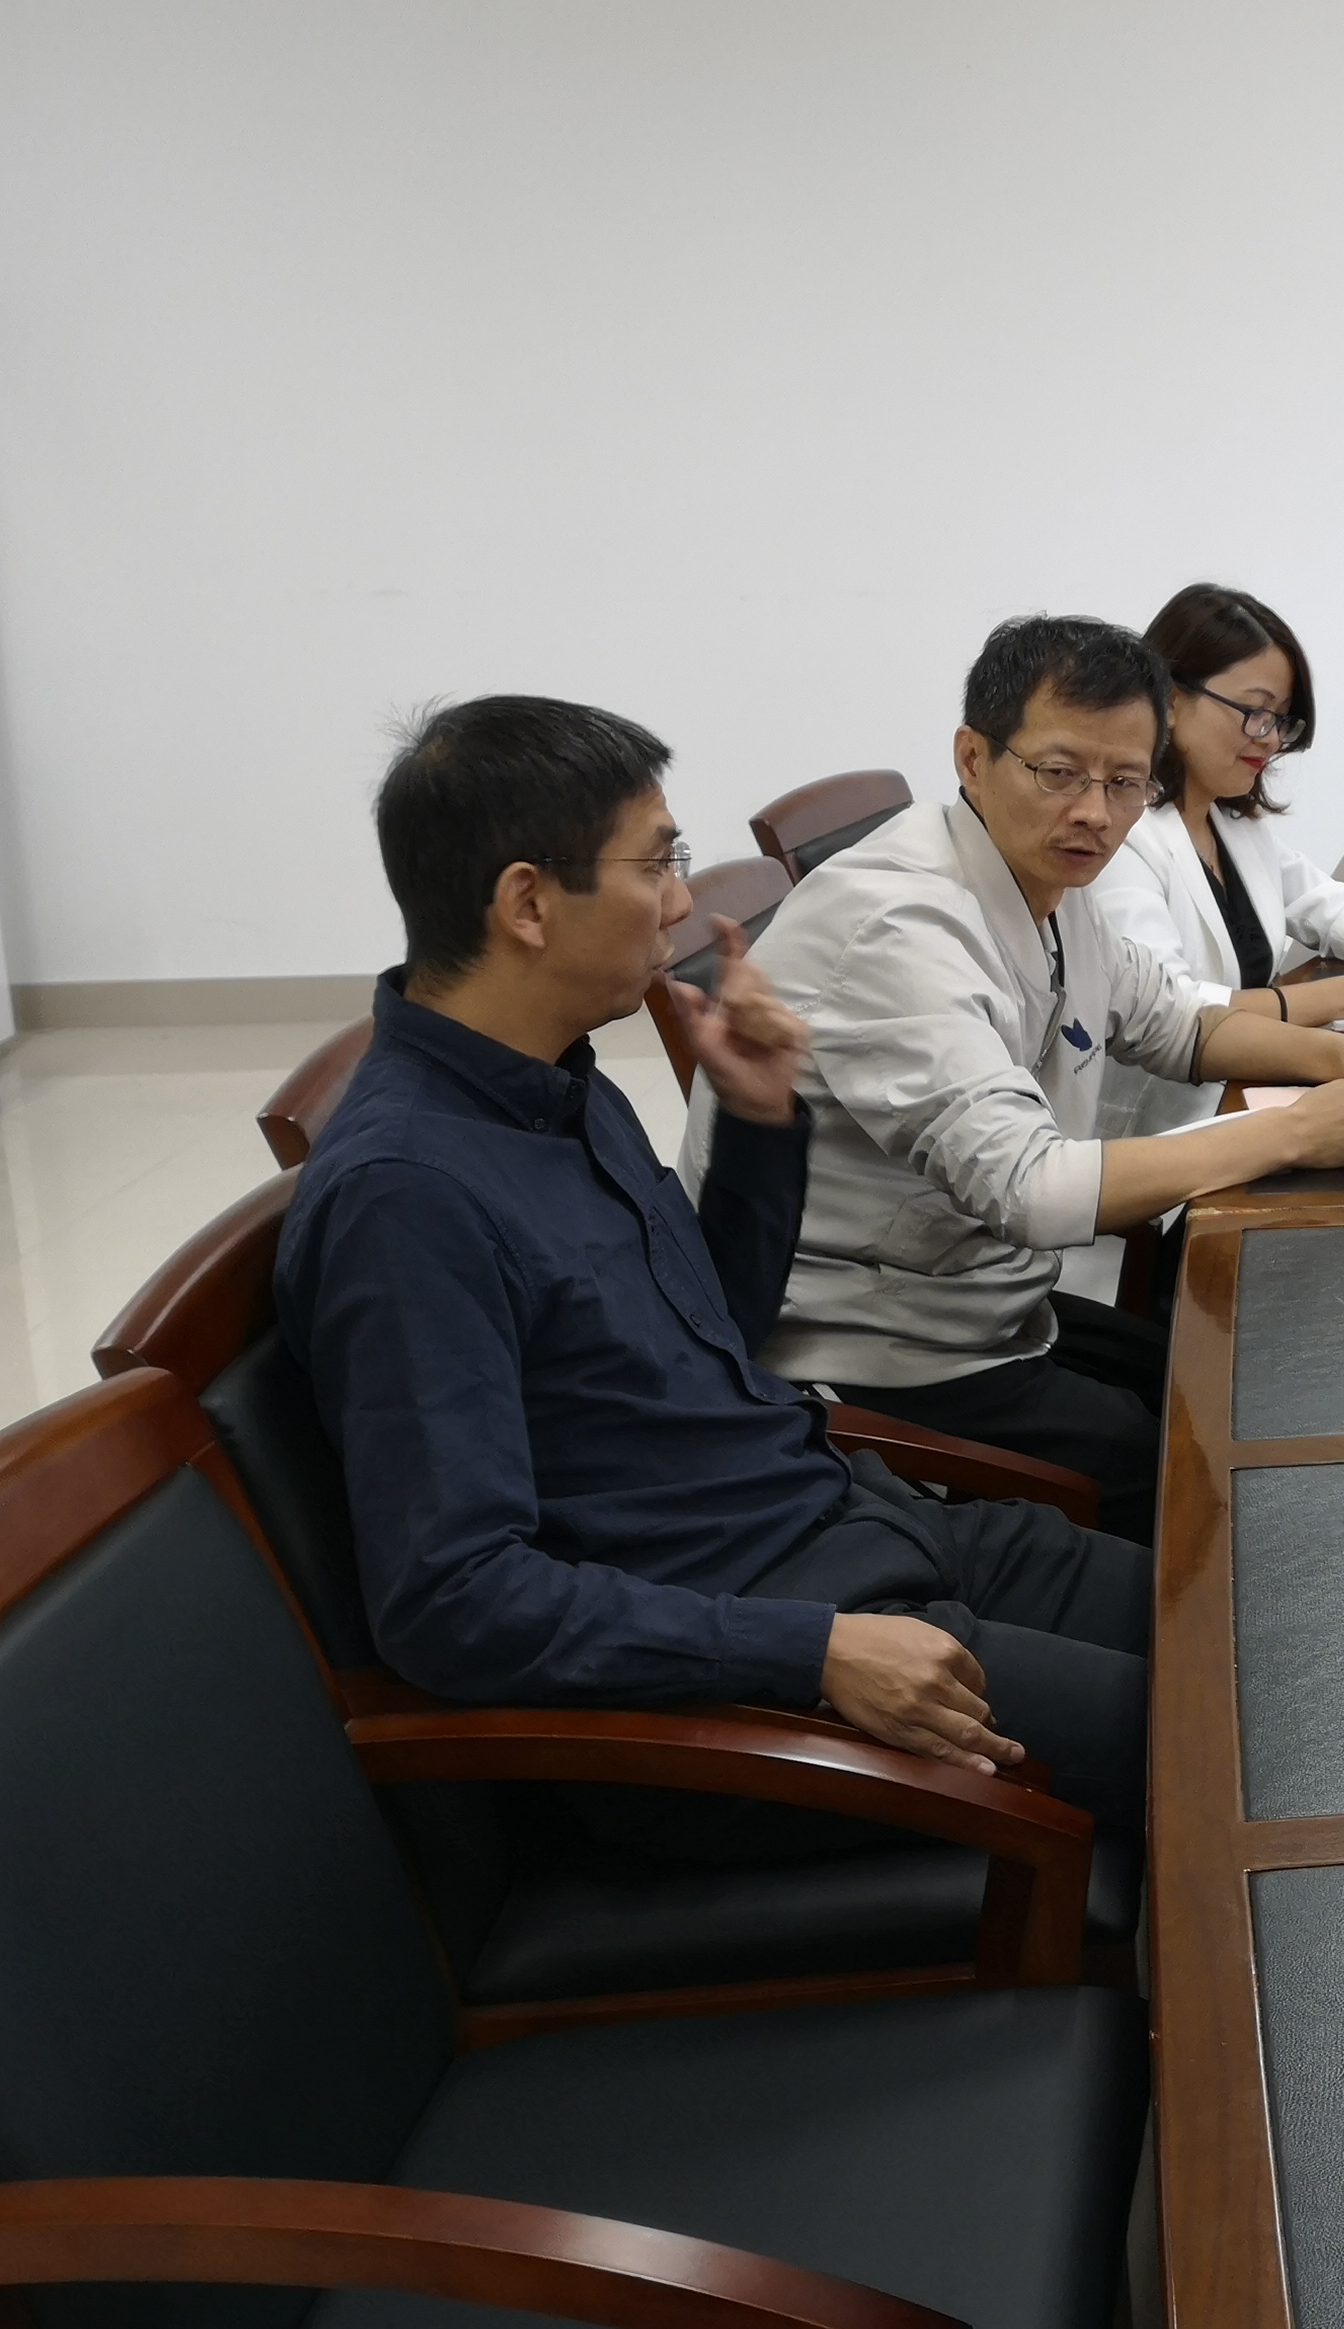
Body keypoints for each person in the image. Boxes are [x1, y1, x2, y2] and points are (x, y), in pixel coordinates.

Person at [280, 695, 1148, 1821]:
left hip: (855, 1531)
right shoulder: (407, 1197)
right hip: (750, 1668)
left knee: (1243, 1609)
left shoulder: (554, 1083)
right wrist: (810, 1651)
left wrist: (758, 1122)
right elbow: (453, 1602)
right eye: (656, 864)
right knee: (1223, 1738)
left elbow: (711, 1344)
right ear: (528, 903)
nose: (682, 901)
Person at [719, 615, 1344, 1539]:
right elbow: (1032, 1189)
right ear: (973, 758)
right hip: (885, 1349)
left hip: (993, 1301)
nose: (1096, 813)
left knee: (1254, 1387)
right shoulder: (898, 926)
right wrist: (1296, 1130)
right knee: (1225, 1477)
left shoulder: (1046, 887)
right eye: (1060, 773)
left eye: (1124, 782)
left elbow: (1176, 1021)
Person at [1094, 582, 1344, 1142]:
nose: (1269, 739)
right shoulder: (1120, 838)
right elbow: (1172, 1014)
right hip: (1160, 1134)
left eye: (1281, 720)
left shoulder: (1229, 824)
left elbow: (1326, 901)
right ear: (1170, 698)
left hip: (1249, 1099)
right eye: (1254, 712)